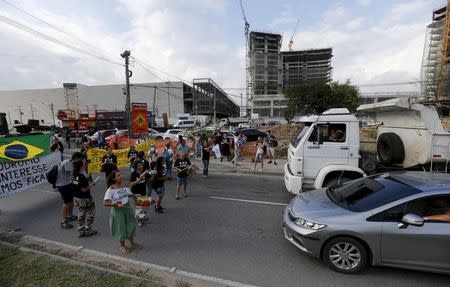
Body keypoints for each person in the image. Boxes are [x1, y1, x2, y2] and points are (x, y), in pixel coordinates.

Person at [103, 170, 142, 254]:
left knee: (132, 225)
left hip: (127, 208)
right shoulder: (111, 189)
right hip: (118, 211)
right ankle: (122, 245)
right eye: (118, 175)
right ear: (114, 178)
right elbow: (105, 202)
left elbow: (129, 194)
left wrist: (135, 196)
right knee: (120, 227)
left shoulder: (124, 185)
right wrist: (115, 204)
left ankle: (132, 243)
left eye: (121, 174)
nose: (121, 176)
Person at [55, 152, 84, 229]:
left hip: (67, 184)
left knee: (70, 201)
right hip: (63, 185)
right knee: (66, 203)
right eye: (80, 159)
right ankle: (63, 221)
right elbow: (71, 176)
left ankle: (70, 215)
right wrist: (78, 182)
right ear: (76, 158)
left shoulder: (69, 162)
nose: (80, 161)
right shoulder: (68, 163)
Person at [72, 159, 97, 237]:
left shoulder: (73, 175)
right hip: (85, 198)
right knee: (91, 212)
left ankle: (80, 230)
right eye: (83, 164)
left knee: (81, 212)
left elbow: (75, 185)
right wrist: (92, 184)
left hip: (77, 198)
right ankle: (88, 229)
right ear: (81, 166)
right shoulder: (81, 177)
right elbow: (84, 189)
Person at [130, 162, 149, 227]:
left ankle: (139, 216)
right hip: (136, 192)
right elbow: (131, 184)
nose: (141, 166)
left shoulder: (144, 172)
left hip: (143, 191)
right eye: (139, 165)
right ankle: (139, 221)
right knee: (138, 207)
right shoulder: (134, 173)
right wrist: (139, 179)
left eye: (141, 165)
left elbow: (149, 179)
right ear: (136, 167)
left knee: (142, 206)